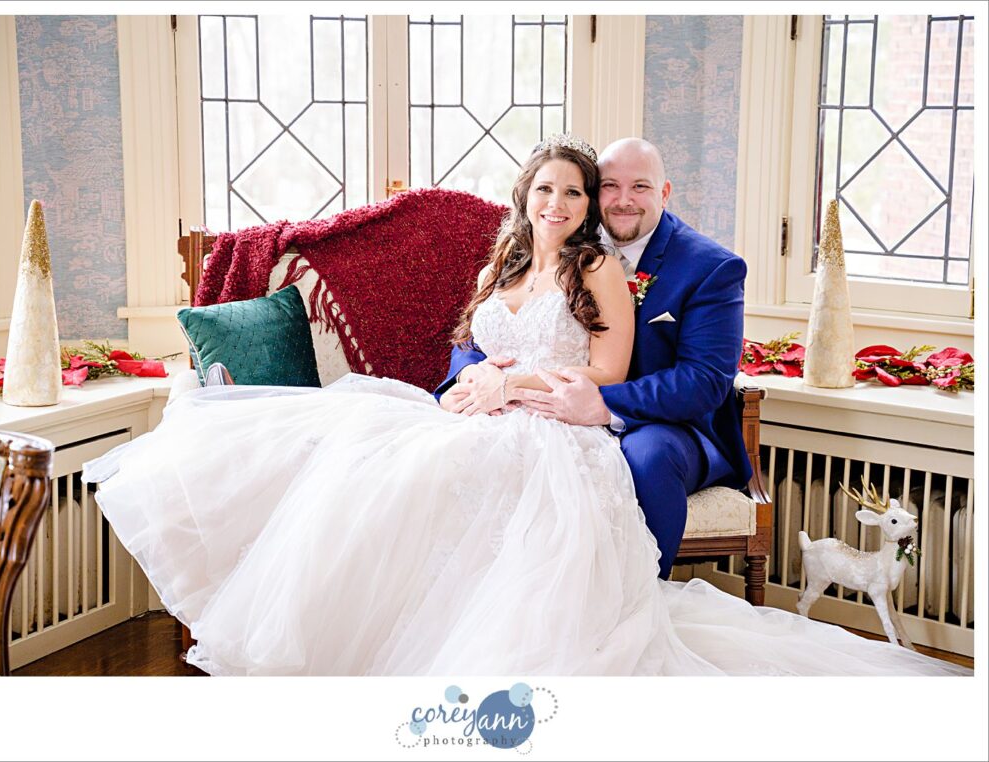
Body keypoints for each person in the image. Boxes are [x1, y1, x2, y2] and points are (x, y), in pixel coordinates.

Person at [82, 135, 967, 676]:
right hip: (511, 408)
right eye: (562, 189)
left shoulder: (638, 267)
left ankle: (625, 599)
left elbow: (649, 377)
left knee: (584, 461)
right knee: (365, 445)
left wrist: (517, 387)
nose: (587, 202)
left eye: (593, 191)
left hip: (611, 420)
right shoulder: (500, 267)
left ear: (656, 196)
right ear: (528, 198)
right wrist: (473, 380)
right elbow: (476, 345)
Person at [436, 138, 749, 580]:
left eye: (640, 187)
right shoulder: (557, 234)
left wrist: (606, 405)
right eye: (610, 186)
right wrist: (468, 379)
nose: (623, 200)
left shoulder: (710, 267)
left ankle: (639, 594)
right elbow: (482, 331)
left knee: (648, 455)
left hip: (663, 421)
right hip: (540, 405)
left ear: (664, 193)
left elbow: (702, 381)